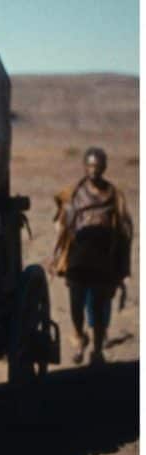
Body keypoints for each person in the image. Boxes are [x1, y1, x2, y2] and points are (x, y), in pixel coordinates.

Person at [50, 147, 132, 365]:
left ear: (104, 167)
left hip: (104, 259)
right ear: (85, 167)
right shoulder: (75, 194)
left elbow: (124, 232)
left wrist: (124, 269)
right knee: (76, 304)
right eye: (90, 166)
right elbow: (63, 227)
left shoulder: (114, 195)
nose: (94, 170)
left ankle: (97, 349)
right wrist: (55, 257)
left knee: (99, 302)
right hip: (78, 258)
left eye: (98, 166)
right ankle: (78, 337)